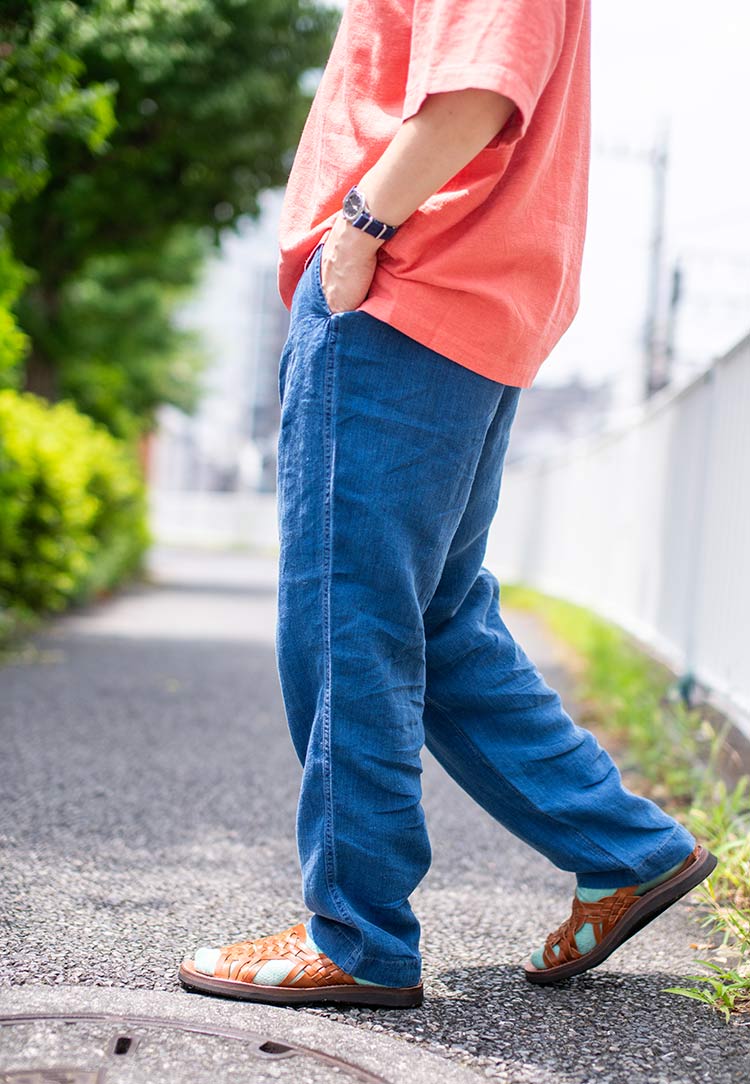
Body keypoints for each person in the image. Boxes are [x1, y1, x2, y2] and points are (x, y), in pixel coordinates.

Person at [179, 0, 715, 1007]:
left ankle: (359, 933)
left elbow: (479, 87)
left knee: (350, 615)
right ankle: (626, 846)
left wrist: (358, 228)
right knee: (437, 620)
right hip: (468, 301)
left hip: (400, 291)